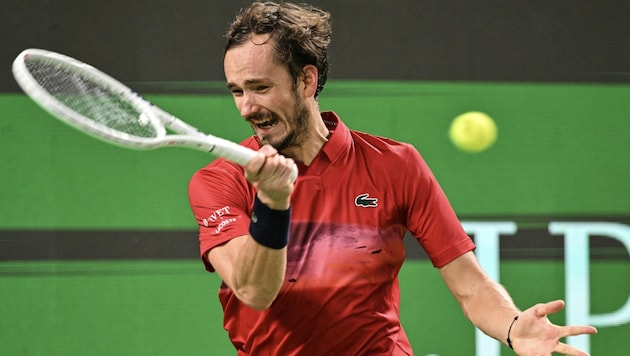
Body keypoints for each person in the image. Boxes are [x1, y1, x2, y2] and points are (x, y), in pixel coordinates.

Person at [188, 2, 597, 354]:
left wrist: (511, 328)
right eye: (237, 91)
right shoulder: (220, 180)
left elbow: (469, 284)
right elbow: (255, 291)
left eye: (260, 87)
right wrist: (273, 203)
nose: (246, 107)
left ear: (307, 81)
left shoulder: (396, 165)